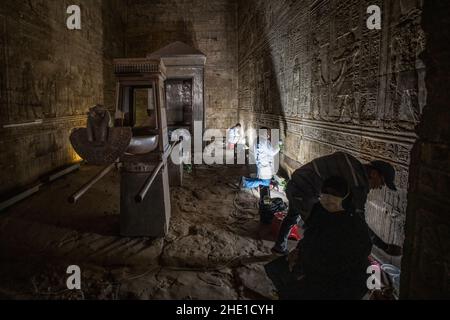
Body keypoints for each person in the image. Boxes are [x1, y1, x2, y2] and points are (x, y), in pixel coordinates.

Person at [272, 151, 399, 256]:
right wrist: (383, 246)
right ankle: (300, 262)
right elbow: (360, 223)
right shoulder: (358, 184)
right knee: (317, 228)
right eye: (382, 181)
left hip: (296, 184)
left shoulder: (352, 163)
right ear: (374, 173)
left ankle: (279, 247)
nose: (381, 186)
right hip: (303, 191)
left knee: (293, 217)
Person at [265, 176, 373, 300]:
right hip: (317, 261)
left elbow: (356, 255)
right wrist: (298, 251)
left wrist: (311, 266)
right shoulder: (319, 210)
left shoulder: (354, 222)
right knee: (278, 269)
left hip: (341, 273)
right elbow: (310, 235)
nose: (329, 197)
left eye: (335, 194)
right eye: (325, 192)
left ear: (346, 196)